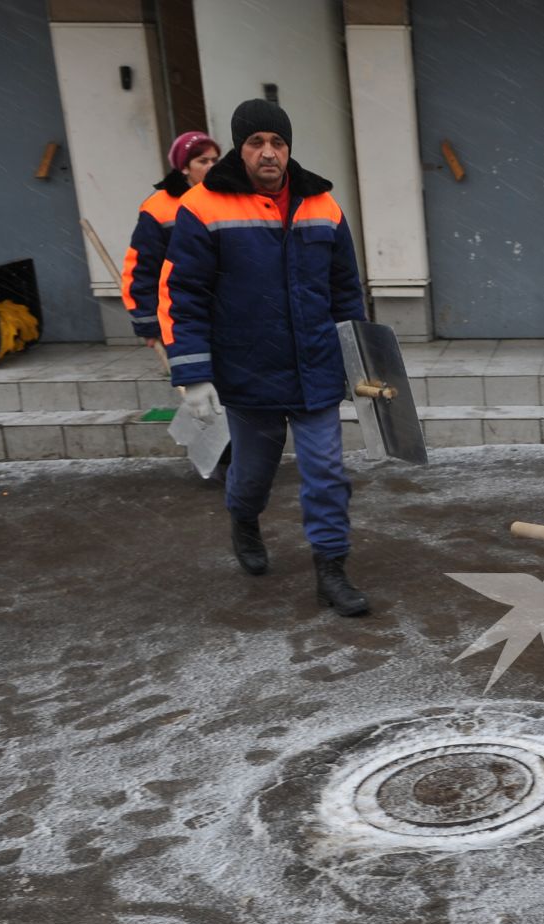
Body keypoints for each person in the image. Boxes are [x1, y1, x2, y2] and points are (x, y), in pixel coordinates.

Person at [159, 99, 370, 617]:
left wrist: (360, 354)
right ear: (240, 147)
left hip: (315, 364)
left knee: (325, 471)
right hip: (248, 368)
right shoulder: (204, 206)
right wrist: (194, 374)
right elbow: (183, 293)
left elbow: (345, 290)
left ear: (288, 146)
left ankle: (332, 569)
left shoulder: (323, 205)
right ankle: (244, 518)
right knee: (254, 473)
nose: (268, 153)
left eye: (277, 142)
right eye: (256, 143)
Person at [120, 131, 219, 349]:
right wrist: (148, 323)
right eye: (203, 161)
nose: (211, 166)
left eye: (214, 160)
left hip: (226, 313)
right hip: (180, 316)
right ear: (184, 167)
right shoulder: (158, 208)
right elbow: (141, 269)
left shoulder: (227, 199)